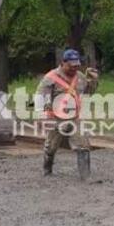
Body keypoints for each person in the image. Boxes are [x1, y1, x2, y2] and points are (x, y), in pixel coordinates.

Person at [37, 49, 99, 181]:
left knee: (83, 144)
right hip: (56, 117)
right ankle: (47, 170)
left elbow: (88, 93)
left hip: (74, 116)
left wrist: (93, 81)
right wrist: (44, 116)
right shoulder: (51, 78)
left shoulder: (80, 76)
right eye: (71, 65)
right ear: (62, 63)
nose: (74, 68)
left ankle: (86, 176)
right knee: (51, 147)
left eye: (76, 65)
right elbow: (40, 97)